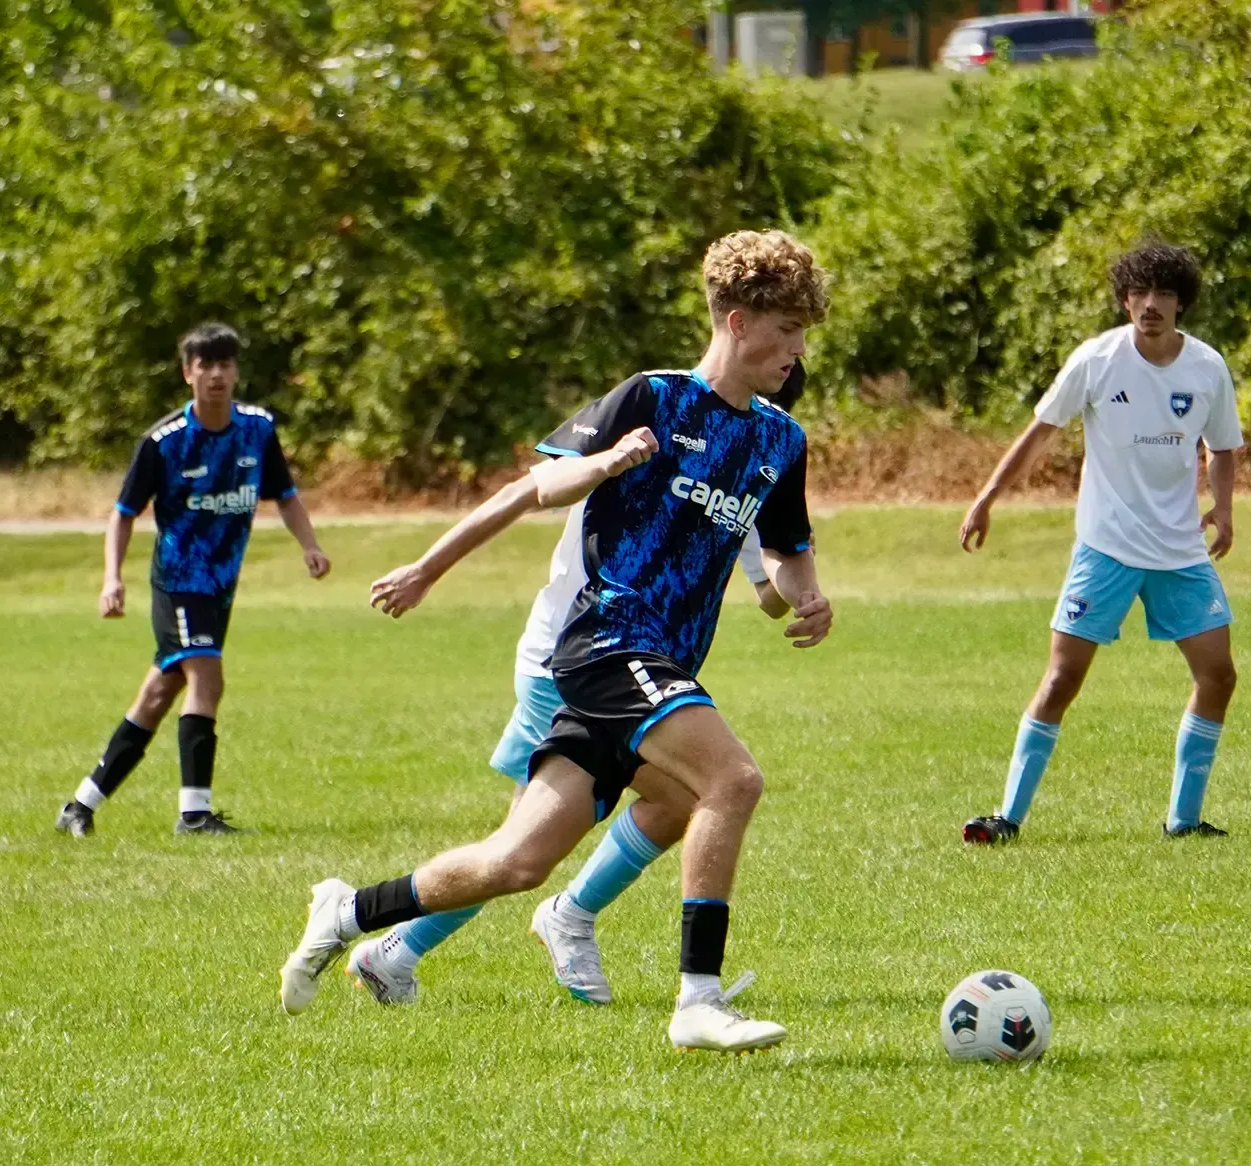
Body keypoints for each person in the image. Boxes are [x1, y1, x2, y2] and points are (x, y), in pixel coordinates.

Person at [280, 231, 833, 1053]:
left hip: (660, 662)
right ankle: (698, 1001)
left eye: (803, 337)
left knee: (520, 859)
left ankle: (352, 912)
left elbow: (786, 550)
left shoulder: (780, 442)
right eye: (785, 332)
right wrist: (606, 464)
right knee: (733, 779)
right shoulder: (653, 398)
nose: (795, 352)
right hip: (608, 639)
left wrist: (807, 596)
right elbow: (543, 483)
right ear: (736, 320)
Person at [347, 362, 806, 1007]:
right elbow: (523, 492)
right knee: (524, 849)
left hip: (627, 658)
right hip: (568, 655)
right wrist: (426, 569)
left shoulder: (747, 470)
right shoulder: (655, 419)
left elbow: (770, 592)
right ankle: (393, 943)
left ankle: (404, 942)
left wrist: (800, 592)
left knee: (662, 807)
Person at [958, 241, 1241, 844]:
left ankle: (1184, 822)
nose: (1152, 304)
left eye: (1165, 293)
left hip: (1179, 553)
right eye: (1141, 292)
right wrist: (987, 497)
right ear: (1125, 298)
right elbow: (1040, 433)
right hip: (1105, 549)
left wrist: (1224, 508)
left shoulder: (1208, 368)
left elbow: (1223, 445)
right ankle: (1006, 818)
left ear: (1180, 303)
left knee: (1218, 675)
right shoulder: (1097, 359)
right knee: (1062, 679)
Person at [54, 322, 330, 838]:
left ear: (236, 371)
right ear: (188, 374)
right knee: (208, 677)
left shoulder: (258, 430)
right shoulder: (165, 443)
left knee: (160, 694)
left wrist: (309, 545)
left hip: (221, 585)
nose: (217, 375)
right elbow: (123, 513)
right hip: (180, 578)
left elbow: (285, 495)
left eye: (226, 364)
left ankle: (80, 804)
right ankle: (194, 814)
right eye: (206, 365)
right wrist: (112, 579)